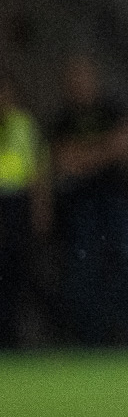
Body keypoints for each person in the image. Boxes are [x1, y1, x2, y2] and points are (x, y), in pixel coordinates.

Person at [47, 54, 128, 344]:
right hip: (80, 206)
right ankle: (90, 342)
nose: (79, 84)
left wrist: (85, 155)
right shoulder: (62, 120)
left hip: (118, 202)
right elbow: (64, 161)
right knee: (83, 274)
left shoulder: (112, 110)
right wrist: (105, 150)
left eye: (84, 77)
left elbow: (127, 146)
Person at [0, 70, 48, 346]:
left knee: (17, 272)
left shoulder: (24, 125)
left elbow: (37, 171)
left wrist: (40, 210)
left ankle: (14, 335)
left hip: (16, 204)